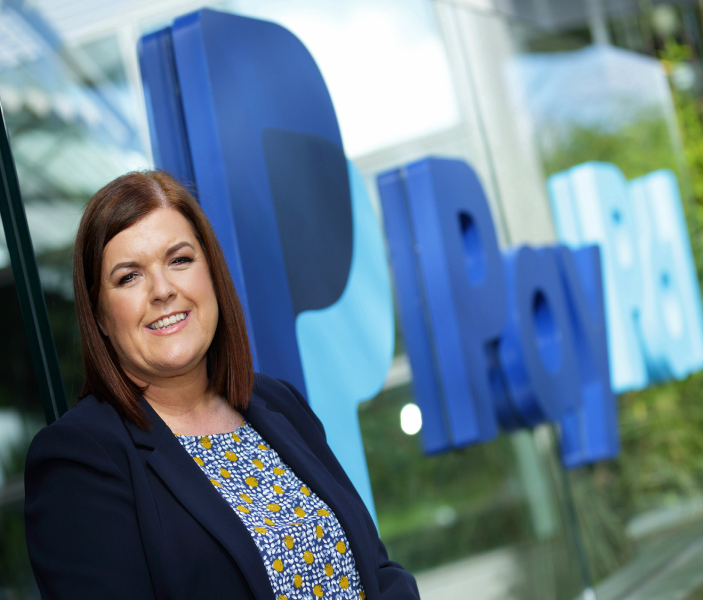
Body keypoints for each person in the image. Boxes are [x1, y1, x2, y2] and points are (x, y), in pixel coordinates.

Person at [24, 170, 420, 600]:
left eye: (179, 260)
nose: (162, 290)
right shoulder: (77, 461)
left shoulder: (277, 402)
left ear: (212, 273)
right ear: (100, 316)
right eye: (129, 277)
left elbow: (378, 572)